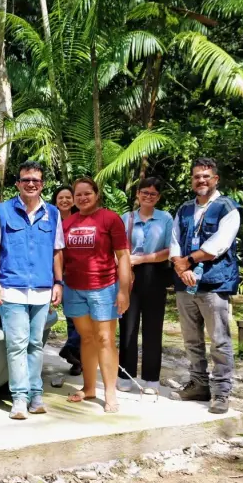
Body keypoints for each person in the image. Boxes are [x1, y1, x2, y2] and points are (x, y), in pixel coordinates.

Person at [0, 161, 64, 420]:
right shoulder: (2, 211)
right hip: (11, 289)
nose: (31, 184)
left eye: (36, 180)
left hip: (42, 291)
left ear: (42, 184)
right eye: (26, 180)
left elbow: (57, 251)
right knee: (17, 344)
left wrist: (58, 283)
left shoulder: (53, 213)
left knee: (36, 344)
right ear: (18, 183)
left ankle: (36, 395)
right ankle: (19, 398)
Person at [169, 158, 241, 414]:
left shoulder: (227, 208)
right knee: (191, 339)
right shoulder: (185, 208)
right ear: (192, 180)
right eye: (197, 176)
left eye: (206, 176)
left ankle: (221, 392)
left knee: (219, 340)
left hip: (214, 283)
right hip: (185, 283)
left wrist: (187, 262)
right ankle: (198, 384)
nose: (201, 180)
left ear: (215, 179)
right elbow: (175, 241)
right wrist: (181, 267)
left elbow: (218, 245)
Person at [63, 178, 131, 413]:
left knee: (105, 339)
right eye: (78, 194)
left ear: (96, 194)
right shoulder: (67, 223)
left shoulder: (110, 218)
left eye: (87, 193)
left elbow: (123, 256)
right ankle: (89, 387)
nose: (82, 198)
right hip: (74, 288)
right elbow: (61, 257)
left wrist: (124, 290)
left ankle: (110, 392)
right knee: (87, 338)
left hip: (104, 287)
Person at [117, 177, 173, 395]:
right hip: (129, 274)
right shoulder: (127, 218)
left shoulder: (165, 218)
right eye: (145, 192)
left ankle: (151, 378)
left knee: (153, 328)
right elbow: (118, 248)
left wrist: (142, 259)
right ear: (138, 194)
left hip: (155, 274)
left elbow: (169, 250)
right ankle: (125, 375)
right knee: (127, 327)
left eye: (153, 194)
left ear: (158, 197)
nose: (148, 196)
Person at [51, 186, 82, 376]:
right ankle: (75, 356)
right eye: (60, 197)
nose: (64, 200)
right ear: (55, 201)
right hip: (56, 275)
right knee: (71, 317)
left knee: (78, 316)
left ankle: (74, 353)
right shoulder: (49, 219)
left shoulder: (80, 220)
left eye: (68, 197)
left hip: (77, 274)